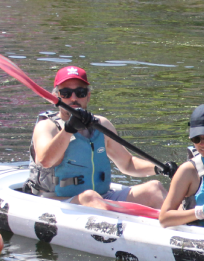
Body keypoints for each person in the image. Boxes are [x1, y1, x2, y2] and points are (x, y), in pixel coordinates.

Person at [25, 65, 170, 209]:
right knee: (90, 197)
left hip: (102, 197)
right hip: (60, 201)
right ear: (56, 97)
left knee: (154, 189)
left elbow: (128, 164)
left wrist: (161, 168)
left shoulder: (102, 125)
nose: (73, 98)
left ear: (88, 96)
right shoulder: (47, 126)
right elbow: (45, 161)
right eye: (66, 93)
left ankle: (183, 224)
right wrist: (68, 129)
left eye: (80, 92)